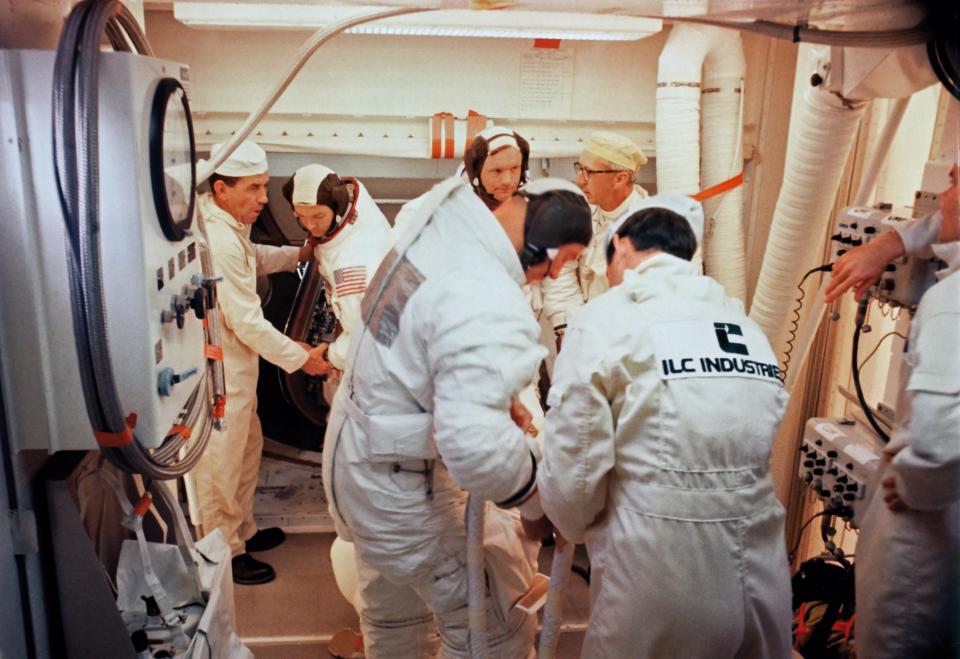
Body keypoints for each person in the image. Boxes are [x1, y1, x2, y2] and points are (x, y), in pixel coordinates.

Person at [321, 176, 592, 658]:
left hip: (361, 472)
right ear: (545, 246)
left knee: (396, 623)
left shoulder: (435, 237)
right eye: (566, 259)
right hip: (407, 495)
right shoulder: (484, 294)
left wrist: (483, 393)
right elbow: (478, 450)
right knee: (490, 629)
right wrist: (537, 503)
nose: (556, 276)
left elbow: (413, 348)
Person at [534, 197, 793, 658]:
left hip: (659, 572)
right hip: (761, 570)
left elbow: (575, 472)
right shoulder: (744, 325)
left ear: (621, 246)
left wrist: (560, 517)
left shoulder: (606, 319)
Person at [827, 166, 959, 658]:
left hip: (925, 535)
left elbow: (939, 442)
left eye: (955, 183)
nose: (940, 198)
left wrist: (911, 484)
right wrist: (889, 243)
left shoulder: (952, 302)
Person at [191, 141, 328, 585]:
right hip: (218, 374)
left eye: (265, 187)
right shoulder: (216, 236)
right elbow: (246, 322)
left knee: (247, 452)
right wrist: (301, 360)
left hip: (238, 371)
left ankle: (243, 532)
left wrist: (298, 256)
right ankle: (223, 555)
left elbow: (253, 261)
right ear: (221, 189)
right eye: (253, 189)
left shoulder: (231, 226)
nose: (263, 199)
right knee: (220, 467)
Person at [281, 164, 394, 376]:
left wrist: (327, 356)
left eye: (318, 217)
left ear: (338, 207)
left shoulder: (351, 266)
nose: (310, 226)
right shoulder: (355, 202)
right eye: (301, 217)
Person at [540, 130, 649, 344]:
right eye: (579, 168)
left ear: (620, 178)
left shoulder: (654, 229)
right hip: (584, 331)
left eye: (588, 172)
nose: (579, 180)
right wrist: (569, 329)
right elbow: (560, 271)